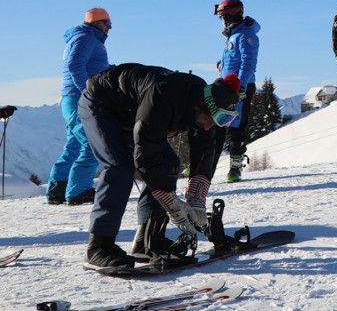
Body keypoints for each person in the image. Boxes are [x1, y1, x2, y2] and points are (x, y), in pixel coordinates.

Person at [78, 63, 242, 269]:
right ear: (200, 107)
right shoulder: (163, 95)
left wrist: (196, 198)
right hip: (100, 104)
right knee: (119, 167)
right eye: (213, 119)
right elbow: (145, 156)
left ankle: (147, 240)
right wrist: (169, 199)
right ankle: (99, 246)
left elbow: (204, 153)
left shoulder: (205, 107)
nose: (211, 125)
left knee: (170, 164)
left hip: (133, 114)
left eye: (223, 120)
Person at [47, 8, 113, 206]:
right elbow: (75, 65)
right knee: (91, 143)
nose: (110, 28)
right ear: (97, 23)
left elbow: (89, 66)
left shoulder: (85, 39)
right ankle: (78, 191)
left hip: (72, 98)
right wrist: (88, 91)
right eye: (107, 23)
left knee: (74, 145)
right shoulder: (85, 38)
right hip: (79, 98)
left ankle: (57, 190)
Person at [212, 0, 260, 183]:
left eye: (223, 16)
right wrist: (221, 65)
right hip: (225, 85)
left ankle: (235, 167)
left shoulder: (246, 35)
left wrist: (240, 86)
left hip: (240, 87)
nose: (221, 21)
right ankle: (205, 166)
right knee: (216, 124)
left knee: (236, 126)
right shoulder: (233, 35)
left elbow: (248, 64)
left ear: (232, 15)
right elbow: (232, 59)